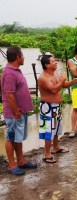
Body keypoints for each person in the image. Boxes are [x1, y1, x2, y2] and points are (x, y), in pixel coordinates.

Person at [1, 46, 37, 175]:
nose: (24, 57)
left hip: (20, 112)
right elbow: (9, 94)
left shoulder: (15, 71)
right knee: (11, 138)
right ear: (17, 56)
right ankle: (12, 165)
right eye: (22, 55)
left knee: (18, 137)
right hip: (14, 114)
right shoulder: (10, 73)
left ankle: (21, 161)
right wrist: (16, 112)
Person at [38, 55, 77, 163]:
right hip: (47, 107)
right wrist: (63, 81)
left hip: (56, 106)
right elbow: (53, 90)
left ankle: (56, 147)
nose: (56, 62)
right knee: (48, 130)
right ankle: (47, 154)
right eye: (53, 61)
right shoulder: (43, 78)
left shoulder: (55, 73)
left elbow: (63, 85)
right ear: (47, 65)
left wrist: (72, 82)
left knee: (56, 128)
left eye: (55, 61)